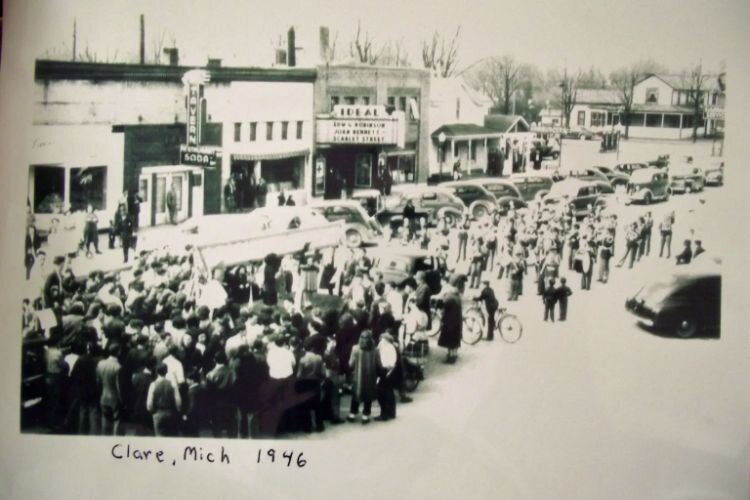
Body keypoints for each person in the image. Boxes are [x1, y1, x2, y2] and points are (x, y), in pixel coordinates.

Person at [347, 330, 381, 424]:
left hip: (358, 376)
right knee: (368, 395)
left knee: (356, 394)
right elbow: (379, 364)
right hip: (370, 377)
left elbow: (351, 364)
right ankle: (365, 415)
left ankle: (352, 414)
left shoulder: (355, 348)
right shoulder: (375, 350)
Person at [146, 362, 182, 437]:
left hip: (158, 413)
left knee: (160, 438)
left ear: (156, 372)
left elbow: (149, 403)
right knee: (172, 437)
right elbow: (178, 400)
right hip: (170, 413)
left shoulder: (153, 385)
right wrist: (178, 409)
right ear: (166, 371)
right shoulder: (172, 384)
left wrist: (152, 411)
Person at [96, 343, 123, 436]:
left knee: (105, 420)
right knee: (116, 421)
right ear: (118, 352)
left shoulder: (100, 364)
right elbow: (118, 386)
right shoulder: (118, 367)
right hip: (114, 397)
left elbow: (98, 381)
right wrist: (122, 399)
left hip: (104, 396)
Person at [375, 332, 399, 421]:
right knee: (389, 392)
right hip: (390, 371)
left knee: (381, 393)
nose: (380, 341)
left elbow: (383, 360)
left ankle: (384, 414)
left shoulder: (385, 348)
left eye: (381, 339)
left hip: (385, 371)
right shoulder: (392, 347)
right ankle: (391, 413)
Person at [438, 281, 462, 364]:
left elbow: (442, 306)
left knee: (450, 341)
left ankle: (450, 358)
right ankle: (454, 355)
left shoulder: (449, 298)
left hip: (449, 323)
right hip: (457, 322)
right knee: (455, 340)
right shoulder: (457, 298)